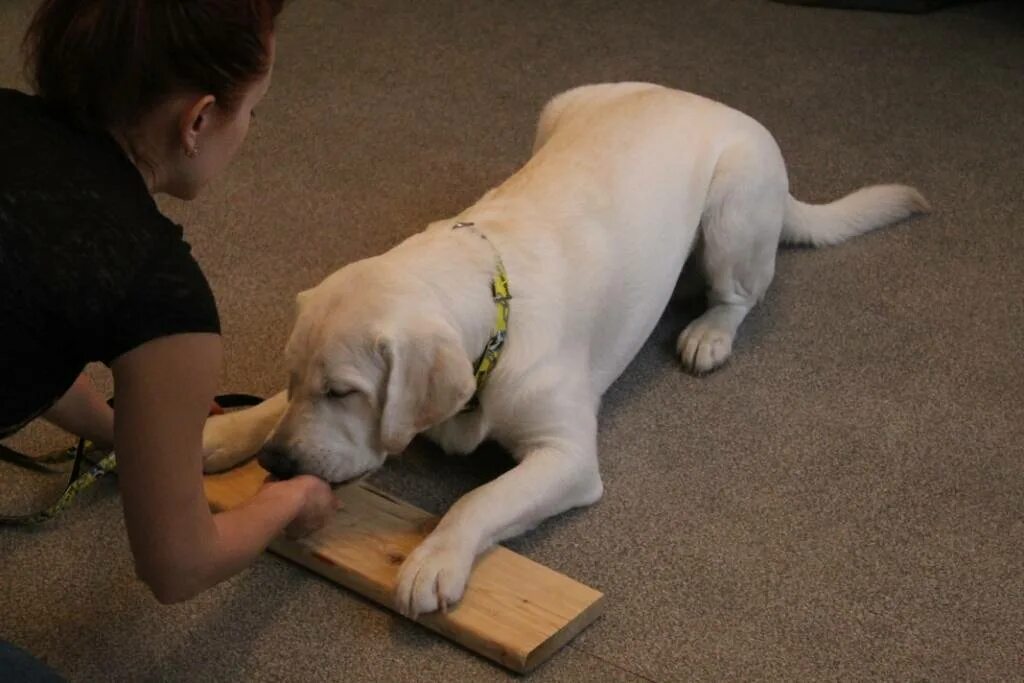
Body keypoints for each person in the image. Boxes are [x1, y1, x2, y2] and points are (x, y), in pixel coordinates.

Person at [0, 0, 338, 605]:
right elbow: (178, 567)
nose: (250, 128)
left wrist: (126, 431)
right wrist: (287, 499)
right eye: (252, 110)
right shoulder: (156, 284)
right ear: (199, 120)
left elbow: (22, 326)